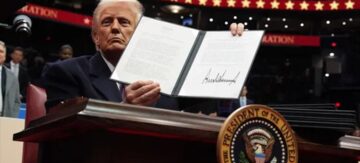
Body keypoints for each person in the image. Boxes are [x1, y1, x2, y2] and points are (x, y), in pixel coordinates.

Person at [41, 0, 244, 111]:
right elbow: (64, 134)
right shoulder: (64, 72)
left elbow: (209, 98)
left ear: (140, 34)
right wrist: (125, 109)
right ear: (95, 37)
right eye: (106, 22)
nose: (114, 28)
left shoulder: (167, 75)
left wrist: (229, 50)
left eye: (124, 22)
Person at [0, 40, 21, 117]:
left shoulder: (12, 76)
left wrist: (12, 117)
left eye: (1, 51)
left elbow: (16, 101)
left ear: (5, 56)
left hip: (5, 118)